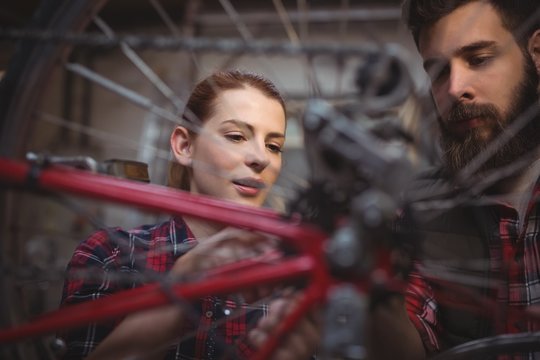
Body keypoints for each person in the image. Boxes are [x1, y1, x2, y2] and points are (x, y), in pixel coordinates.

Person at [59, 70, 319, 359]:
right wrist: (180, 286)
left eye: (274, 146)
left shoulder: (294, 275)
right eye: (236, 137)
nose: (260, 158)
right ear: (184, 146)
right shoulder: (111, 256)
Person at [374, 1, 540, 359]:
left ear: (537, 54)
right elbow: (410, 347)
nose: (455, 89)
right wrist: (371, 287)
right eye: (437, 73)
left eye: (478, 59)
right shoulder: (421, 210)